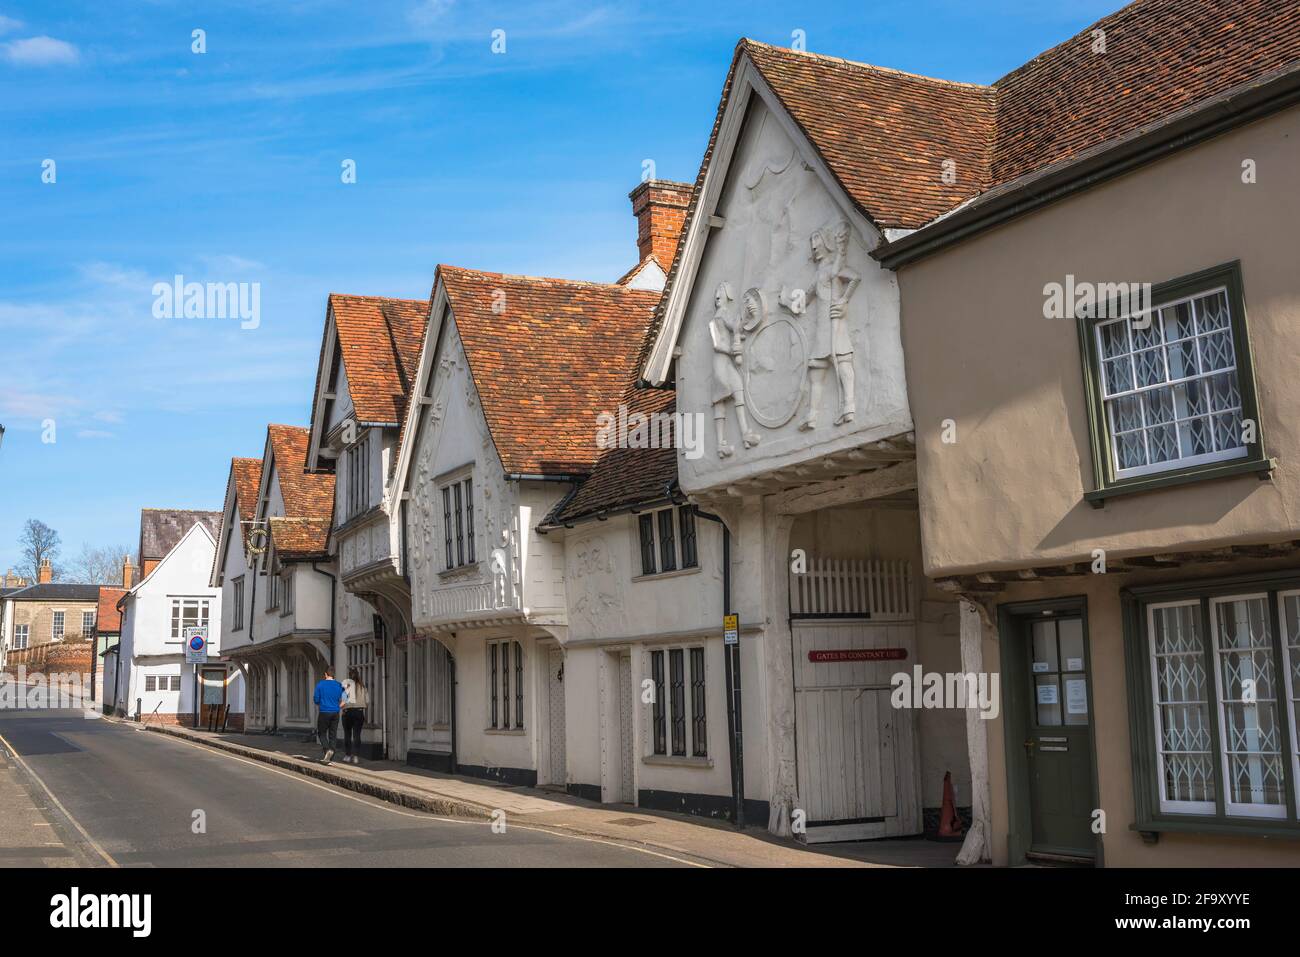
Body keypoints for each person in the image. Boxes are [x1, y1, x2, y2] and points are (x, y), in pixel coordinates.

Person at [312, 667, 344, 765]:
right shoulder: (339, 685)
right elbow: (345, 699)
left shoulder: (320, 685)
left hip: (324, 712)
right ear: (333, 675)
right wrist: (338, 706)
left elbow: (316, 700)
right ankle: (330, 758)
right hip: (335, 713)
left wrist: (322, 703)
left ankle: (327, 750)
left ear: (326, 674)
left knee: (321, 733)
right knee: (333, 735)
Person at [340, 668, 369, 765]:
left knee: (347, 734)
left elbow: (341, 701)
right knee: (357, 735)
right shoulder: (363, 687)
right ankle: (356, 757)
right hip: (359, 712)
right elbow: (367, 702)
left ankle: (348, 756)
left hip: (347, 713)